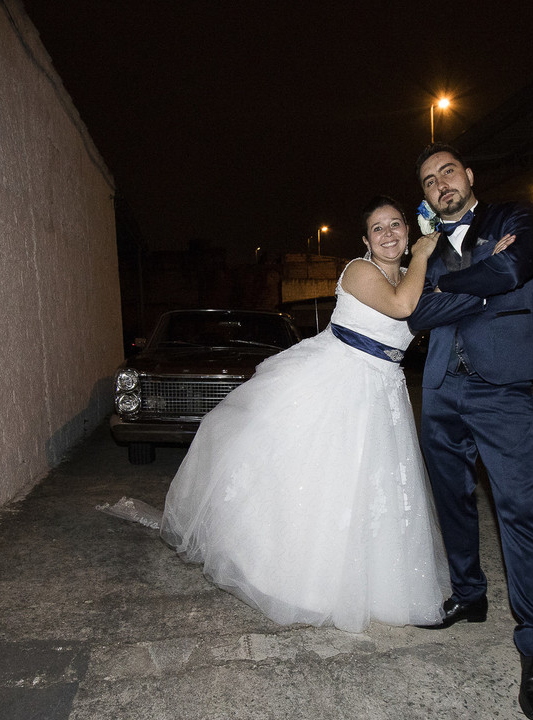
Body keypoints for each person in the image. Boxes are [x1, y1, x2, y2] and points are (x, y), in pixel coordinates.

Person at [160, 196, 453, 633]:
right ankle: (297, 580)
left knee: (376, 490)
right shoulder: (360, 271)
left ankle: (382, 590)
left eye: (396, 224)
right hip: (338, 381)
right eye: (378, 228)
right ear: (365, 240)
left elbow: (442, 301)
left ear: (408, 231)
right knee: (319, 480)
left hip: (383, 390)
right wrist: (426, 253)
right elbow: (401, 308)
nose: (389, 233)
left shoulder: (413, 277)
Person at [407, 143, 533, 720]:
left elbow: (513, 270)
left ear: (469, 175)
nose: (440, 184)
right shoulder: (424, 247)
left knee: (518, 511)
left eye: (448, 172)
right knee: (453, 503)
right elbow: (415, 314)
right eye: (429, 181)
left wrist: (446, 290)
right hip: (441, 388)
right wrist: (477, 283)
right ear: (425, 196)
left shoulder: (512, 217)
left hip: (502, 388)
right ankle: (470, 597)